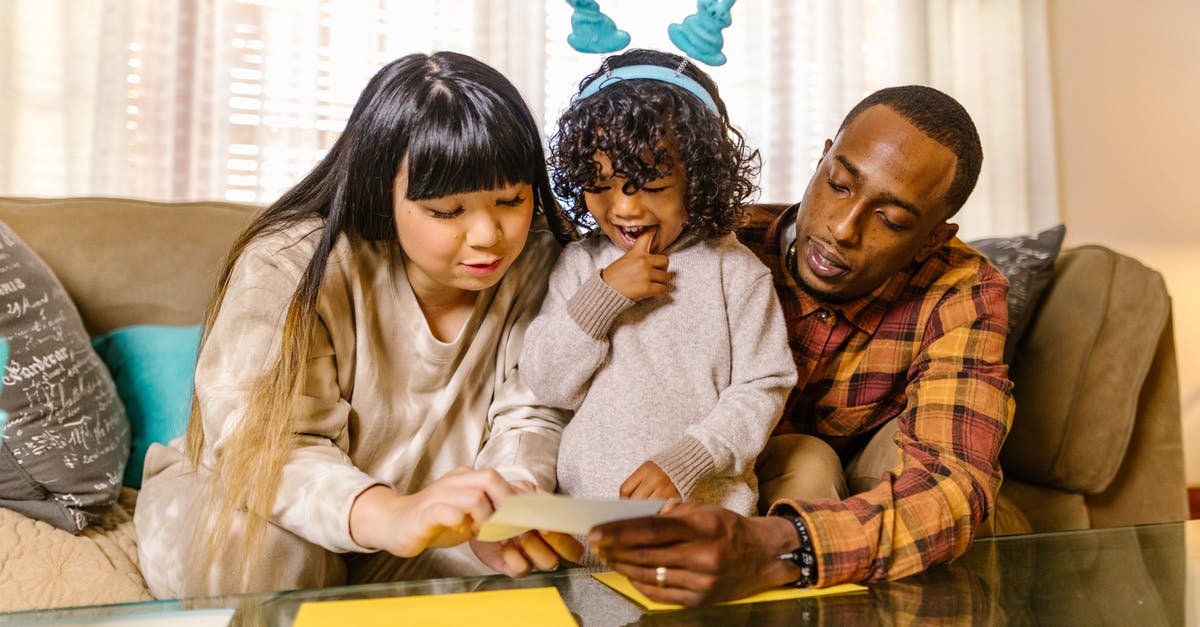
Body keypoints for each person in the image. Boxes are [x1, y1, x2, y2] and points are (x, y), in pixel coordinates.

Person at [133, 51, 582, 598]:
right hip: (253, 499)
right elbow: (262, 447)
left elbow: (533, 415)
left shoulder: (545, 263)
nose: (489, 235)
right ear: (378, 188)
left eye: (511, 200)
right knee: (265, 554)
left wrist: (508, 503)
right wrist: (389, 513)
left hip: (433, 525)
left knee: (532, 562)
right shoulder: (289, 262)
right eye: (448, 211)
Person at [588, 85, 1015, 605]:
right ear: (822, 158)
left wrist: (782, 547)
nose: (843, 228)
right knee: (806, 457)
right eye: (838, 184)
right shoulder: (717, 242)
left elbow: (952, 484)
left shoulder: (962, 287)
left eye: (892, 219)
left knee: (932, 499)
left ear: (931, 238)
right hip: (717, 469)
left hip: (857, 484)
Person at [520, 48, 796, 552]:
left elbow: (763, 389)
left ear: (701, 177)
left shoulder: (736, 274)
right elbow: (546, 383)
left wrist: (689, 459)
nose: (624, 207)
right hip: (586, 533)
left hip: (701, 532)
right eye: (599, 185)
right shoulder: (582, 265)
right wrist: (602, 297)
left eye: (650, 184)